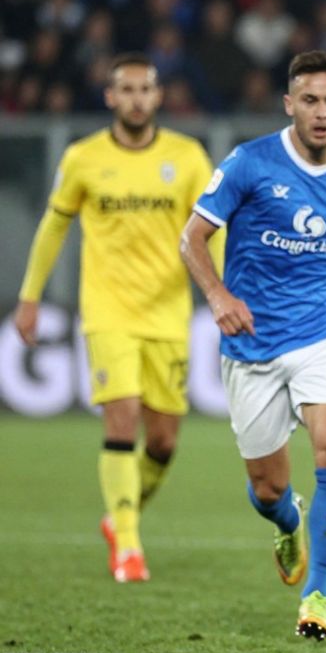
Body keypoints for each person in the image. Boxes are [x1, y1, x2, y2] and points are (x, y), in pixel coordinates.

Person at [180, 50, 326, 640]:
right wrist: (218, 297)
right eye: (309, 100)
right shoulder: (250, 163)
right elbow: (192, 238)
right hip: (252, 344)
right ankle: (286, 518)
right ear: (289, 104)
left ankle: (317, 595)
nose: (321, 113)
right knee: (268, 488)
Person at [12, 53, 216, 583]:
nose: (134, 98)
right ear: (109, 97)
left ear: (157, 96)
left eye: (143, 89)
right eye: (123, 90)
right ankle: (128, 545)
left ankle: (119, 517)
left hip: (169, 315)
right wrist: (30, 297)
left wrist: (224, 295)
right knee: (121, 417)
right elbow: (54, 226)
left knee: (165, 442)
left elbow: (211, 231)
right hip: (108, 311)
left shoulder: (188, 156)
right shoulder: (83, 158)